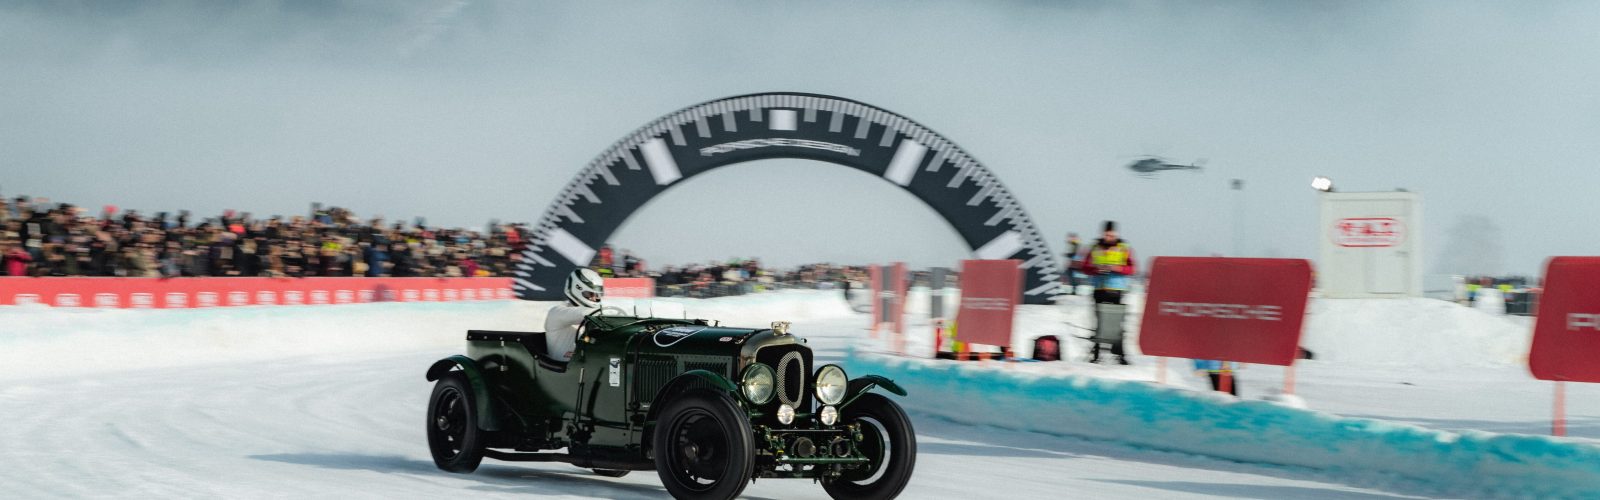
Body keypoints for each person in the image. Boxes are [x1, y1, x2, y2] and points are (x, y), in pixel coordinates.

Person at [1079, 221, 1135, 364]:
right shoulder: (1094, 247)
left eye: (1111, 235)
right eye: (1107, 235)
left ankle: (1120, 355)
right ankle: (1096, 355)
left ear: (1116, 234)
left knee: (1116, 324)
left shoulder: (1124, 248)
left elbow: (1132, 269)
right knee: (1099, 323)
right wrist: (1096, 269)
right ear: (1102, 234)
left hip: (1116, 290)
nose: (1109, 237)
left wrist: (1117, 268)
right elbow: (1084, 267)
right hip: (1099, 289)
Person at [545, 268, 603, 362]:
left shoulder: (591, 315)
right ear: (577, 289)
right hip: (564, 368)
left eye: (597, 295)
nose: (594, 299)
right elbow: (584, 313)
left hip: (585, 366)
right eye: (590, 294)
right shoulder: (556, 313)